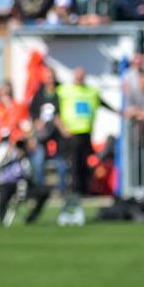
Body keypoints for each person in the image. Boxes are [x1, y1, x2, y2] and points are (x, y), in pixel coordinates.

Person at [55, 67, 101, 226]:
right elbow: (53, 108)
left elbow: (102, 103)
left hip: (86, 135)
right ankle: (71, 197)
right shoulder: (63, 90)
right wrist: (61, 127)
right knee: (72, 169)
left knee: (85, 168)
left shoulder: (91, 92)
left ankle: (78, 196)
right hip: (71, 136)